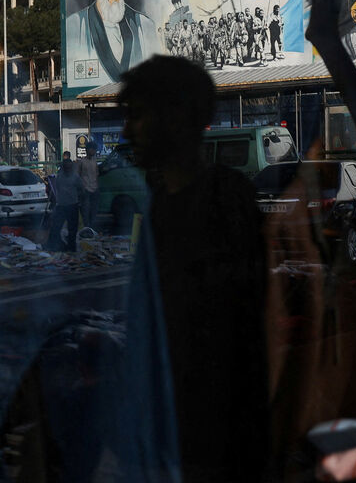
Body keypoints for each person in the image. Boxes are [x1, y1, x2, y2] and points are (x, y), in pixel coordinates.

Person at [118, 55, 269, 480]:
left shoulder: (224, 202)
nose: (128, 130)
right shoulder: (162, 201)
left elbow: (220, 340)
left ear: (178, 118)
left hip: (212, 451)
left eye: (139, 116)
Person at [46, 160, 84, 251]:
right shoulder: (59, 177)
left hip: (72, 205)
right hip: (62, 205)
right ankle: (54, 246)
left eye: (69, 167)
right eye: (66, 167)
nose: (67, 169)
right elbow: (57, 191)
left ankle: (71, 247)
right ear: (63, 168)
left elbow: (81, 190)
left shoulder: (75, 177)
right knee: (56, 227)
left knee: (72, 229)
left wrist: (79, 201)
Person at [77, 144, 100, 230]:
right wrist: (81, 188)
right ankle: (86, 229)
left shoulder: (95, 162)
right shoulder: (82, 162)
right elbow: (78, 176)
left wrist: (97, 187)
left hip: (95, 189)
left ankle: (92, 229)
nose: (93, 151)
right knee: (85, 210)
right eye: (91, 149)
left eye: (94, 149)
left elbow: (97, 175)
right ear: (87, 150)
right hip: (85, 189)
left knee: (94, 211)